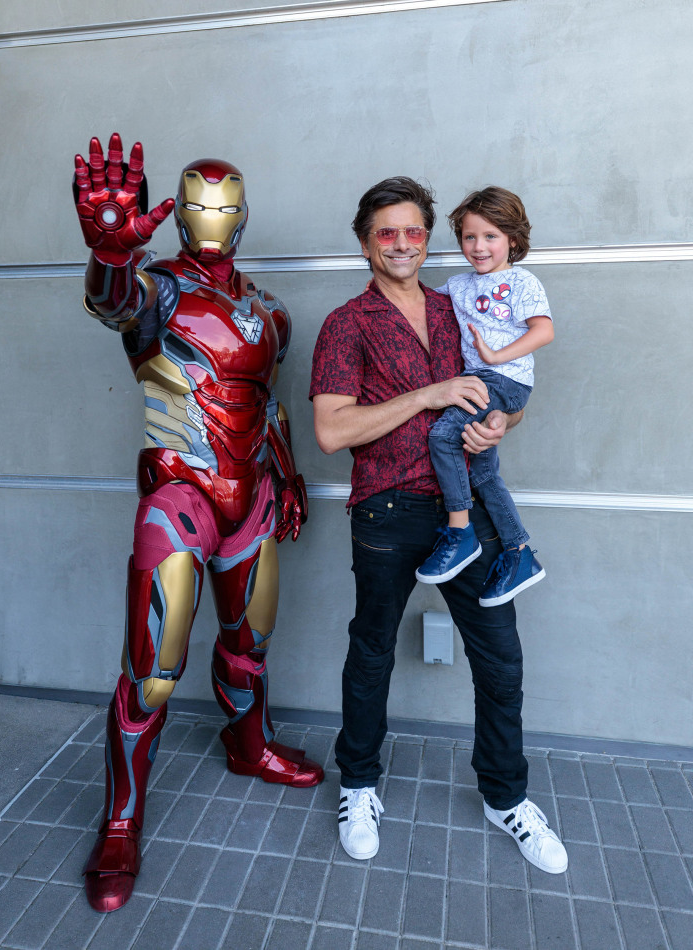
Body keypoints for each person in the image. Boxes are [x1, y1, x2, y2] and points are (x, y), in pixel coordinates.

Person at [72, 133, 323, 913]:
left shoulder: (270, 309)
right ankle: (120, 821)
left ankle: (247, 745)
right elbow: (114, 306)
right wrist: (111, 254)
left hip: (248, 497)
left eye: (225, 205)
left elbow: (268, 404)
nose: (212, 215)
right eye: (198, 203)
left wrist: (286, 477)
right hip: (179, 497)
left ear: (243, 216)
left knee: (249, 645)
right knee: (152, 670)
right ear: (177, 213)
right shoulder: (158, 291)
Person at [309, 176, 567, 874]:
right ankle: (358, 785)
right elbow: (331, 431)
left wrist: (495, 425)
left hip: (469, 512)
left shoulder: (463, 302)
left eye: (413, 231)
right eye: (386, 232)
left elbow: (510, 396)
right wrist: (428, 394)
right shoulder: (346, 323)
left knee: (501, 655)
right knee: (372, 651)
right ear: (366, 242)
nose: (401, 243)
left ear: (429, 239)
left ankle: (505, 796)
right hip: (388, 507)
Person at [415, 187, 554, 607]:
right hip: (480, 379)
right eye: (470, 237)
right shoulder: (458, 285)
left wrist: (495, 356)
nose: (479, 247)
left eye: (491, 236)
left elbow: (543, 330)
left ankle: (460, 534)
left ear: (512, 238)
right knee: (482, 472)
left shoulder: (521, 281)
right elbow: (419, 300)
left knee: (442, 437)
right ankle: (519, 553)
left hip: (504, 381)